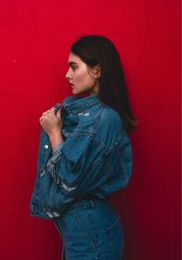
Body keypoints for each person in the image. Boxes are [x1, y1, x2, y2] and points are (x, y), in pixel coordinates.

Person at [30, 35, 136, 260]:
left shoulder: (104, 119)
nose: (67, 75)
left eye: (74, 67)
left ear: (97, 71)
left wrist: (55, 132)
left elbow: (69, 177)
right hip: (83, 228)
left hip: (91, 231)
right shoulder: (82, 112)